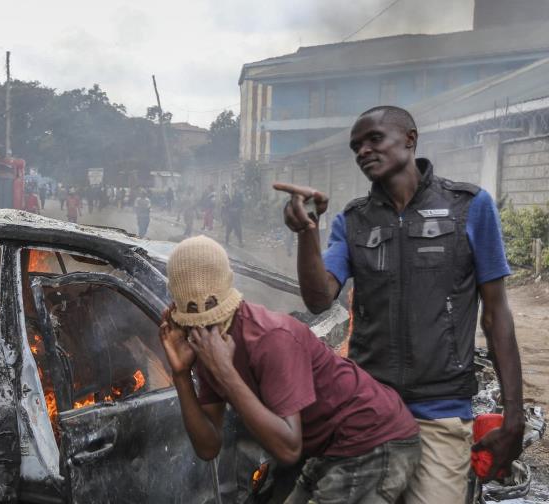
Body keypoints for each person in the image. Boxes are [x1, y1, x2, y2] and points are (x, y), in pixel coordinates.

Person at [274, 105, 524, 504]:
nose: (363, 151)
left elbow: (497, 317)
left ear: (410, 138)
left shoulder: (470, 207)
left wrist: (515, 415)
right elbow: (320, 298)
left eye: (374, 139)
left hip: (441, 412)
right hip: (369, 411)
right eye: (356, 146)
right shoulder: (353, 221)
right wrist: (308, 233)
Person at [159, 236, 421, 503]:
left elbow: (288, 449)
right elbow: (208, 447)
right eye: (193, 317)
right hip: (329, 448)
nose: (204, 326)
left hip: (374, 438)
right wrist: (181, 375)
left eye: (213, 313)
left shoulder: (270, 338)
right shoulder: (205, 345)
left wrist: (226, 374)